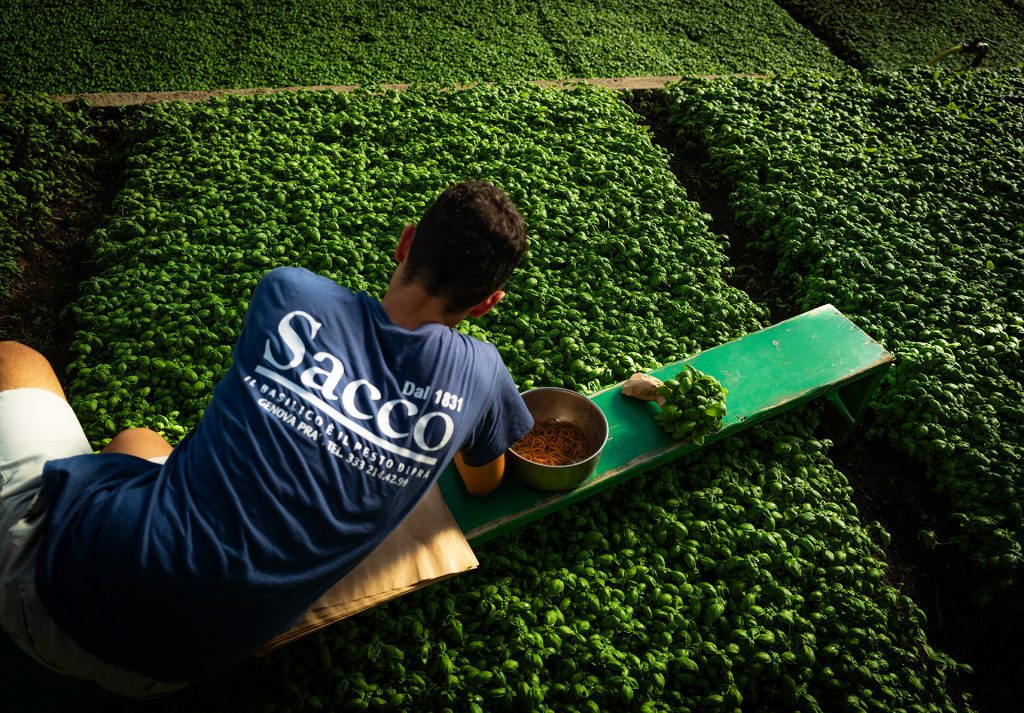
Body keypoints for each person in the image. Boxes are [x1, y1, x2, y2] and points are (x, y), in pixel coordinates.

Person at [0, 180, 534, 696]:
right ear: (488, 303)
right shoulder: (482, 375)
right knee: (137, 441)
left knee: (15, 359)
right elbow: (484, 482)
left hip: (51, 574)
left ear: (406, 241)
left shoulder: (290, 292)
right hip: (168, 668)